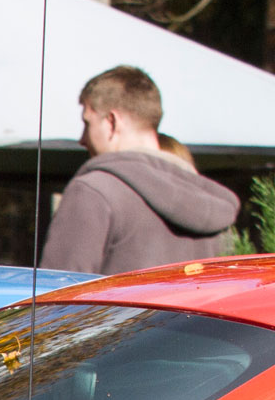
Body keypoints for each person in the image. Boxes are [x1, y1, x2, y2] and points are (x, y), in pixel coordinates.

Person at [40, 67, 239, 275]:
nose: (82, 139)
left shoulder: (93, 191)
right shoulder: (209, 204)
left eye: (87, 123)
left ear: (111, 122)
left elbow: (56, 289)